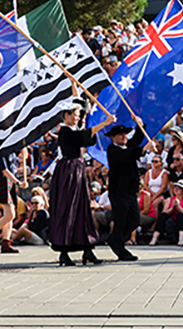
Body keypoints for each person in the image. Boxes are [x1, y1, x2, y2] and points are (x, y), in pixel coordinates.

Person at [50, 102, 112, 266]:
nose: (78, 117)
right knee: (68, 208)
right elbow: (82, 137)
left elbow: (86, 137)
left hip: (77, 169)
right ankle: (64, 252)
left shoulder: (72, 129)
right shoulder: (64, 131)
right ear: (67, 115)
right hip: (69, 171)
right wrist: (104, 123)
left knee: (82, 208)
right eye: (76, 114)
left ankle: (88, 250)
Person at [106, 119, 145, 262]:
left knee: (134, 220)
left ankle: (115, 238)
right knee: (120, 219)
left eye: (125, 135)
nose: (124, 137)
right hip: (118, 192)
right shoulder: (112, 150)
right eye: (120, 135)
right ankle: (119, 246)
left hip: (130, 191)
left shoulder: (127, 147)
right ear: (113, 137)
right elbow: (127, 155)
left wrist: (140, 125)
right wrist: (144, 150)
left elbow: (137, 140)